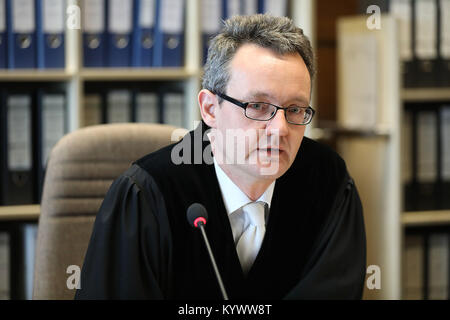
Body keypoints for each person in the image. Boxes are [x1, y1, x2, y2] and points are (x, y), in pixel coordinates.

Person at [75, 14, 366, 300]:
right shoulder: (148, 194)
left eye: (294, 109)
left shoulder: (330, 183)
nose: (279, 129)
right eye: (258, 106)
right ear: (210, 109)